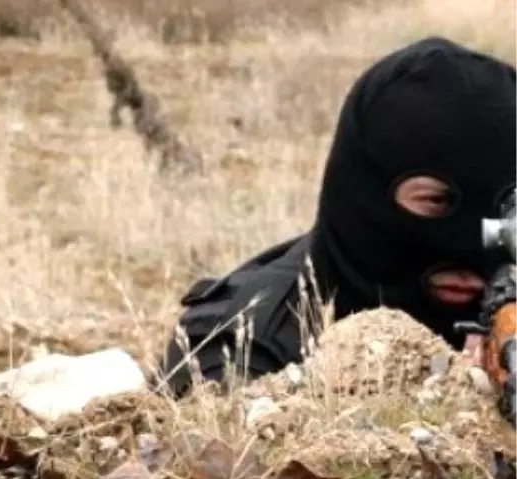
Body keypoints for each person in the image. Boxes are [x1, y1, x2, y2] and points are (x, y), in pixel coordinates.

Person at [158, 36, 517, 398]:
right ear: (362, 194)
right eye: (436, 201)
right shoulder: (241, 349)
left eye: (503, 209)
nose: (473, 238)